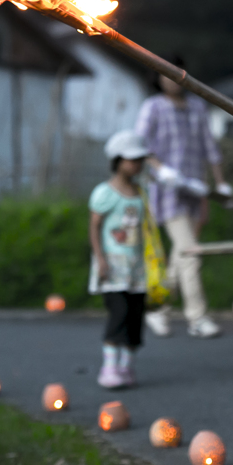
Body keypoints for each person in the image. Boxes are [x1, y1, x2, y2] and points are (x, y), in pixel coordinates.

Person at [135, 57, 233, 339]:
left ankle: (158, 309)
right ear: (157, 78)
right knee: (190, 252)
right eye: (164, 74)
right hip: (167, 191)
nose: (170, 79)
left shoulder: (197, 107)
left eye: (175, 73)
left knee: (182, 253)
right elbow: (139, 145)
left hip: (196, 190)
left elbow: (210, 148)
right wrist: (160, 169)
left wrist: (222, 183)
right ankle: (197, 317)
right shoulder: (152, 107)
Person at [89, 130, 151, 389]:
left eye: (139, 159)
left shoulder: (141, 192)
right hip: (113, 264)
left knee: (136, 315)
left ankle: (126, 367)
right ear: (117, 160)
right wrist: (100, 259)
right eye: (130, 159)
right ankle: (109, 367)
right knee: (119, 313)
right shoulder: (105, 193)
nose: (136, 164)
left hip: (137, 265)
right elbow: (94, 227)